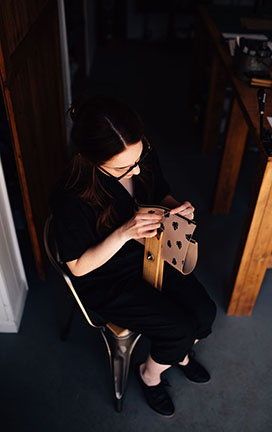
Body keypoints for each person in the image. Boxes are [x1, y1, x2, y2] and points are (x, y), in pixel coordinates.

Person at [50, 95, 216, 417]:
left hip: (148, 253)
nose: (137, 168)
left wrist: (174, 209)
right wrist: (124, 232)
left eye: (139, 158)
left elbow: (159, 191)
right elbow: (79, 267)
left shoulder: (141, 154)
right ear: (92, 159)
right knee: (180, 328)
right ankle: (150, 375)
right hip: (105, 276)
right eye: (124, 167)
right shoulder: (69, 196)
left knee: (204, 312)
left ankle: (177, 354)